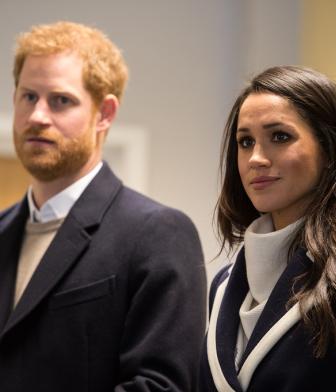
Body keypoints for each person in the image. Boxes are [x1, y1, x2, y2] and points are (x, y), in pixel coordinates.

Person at [0, 21, 206, 392]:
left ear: (105, 113)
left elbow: (160, 386)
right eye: (28, 96)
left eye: (60, 100)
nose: (37, 117)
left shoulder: (156, 234)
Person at [199, 65, 336, 391]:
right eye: (245, 142)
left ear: (331, 151)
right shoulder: (224, 284)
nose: (256, 158)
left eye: (280, 137)